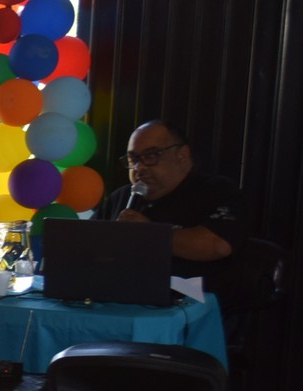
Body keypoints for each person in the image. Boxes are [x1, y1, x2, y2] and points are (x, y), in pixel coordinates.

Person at [97, 119, 249, 308]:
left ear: (182, 155)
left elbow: (217, 245)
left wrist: (147, 233)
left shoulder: (217, 191)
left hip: (187, 307)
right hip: (118, 301)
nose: (139, 168)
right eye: (133, 160)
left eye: (151, 156)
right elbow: (88, 246)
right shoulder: (122, 198)